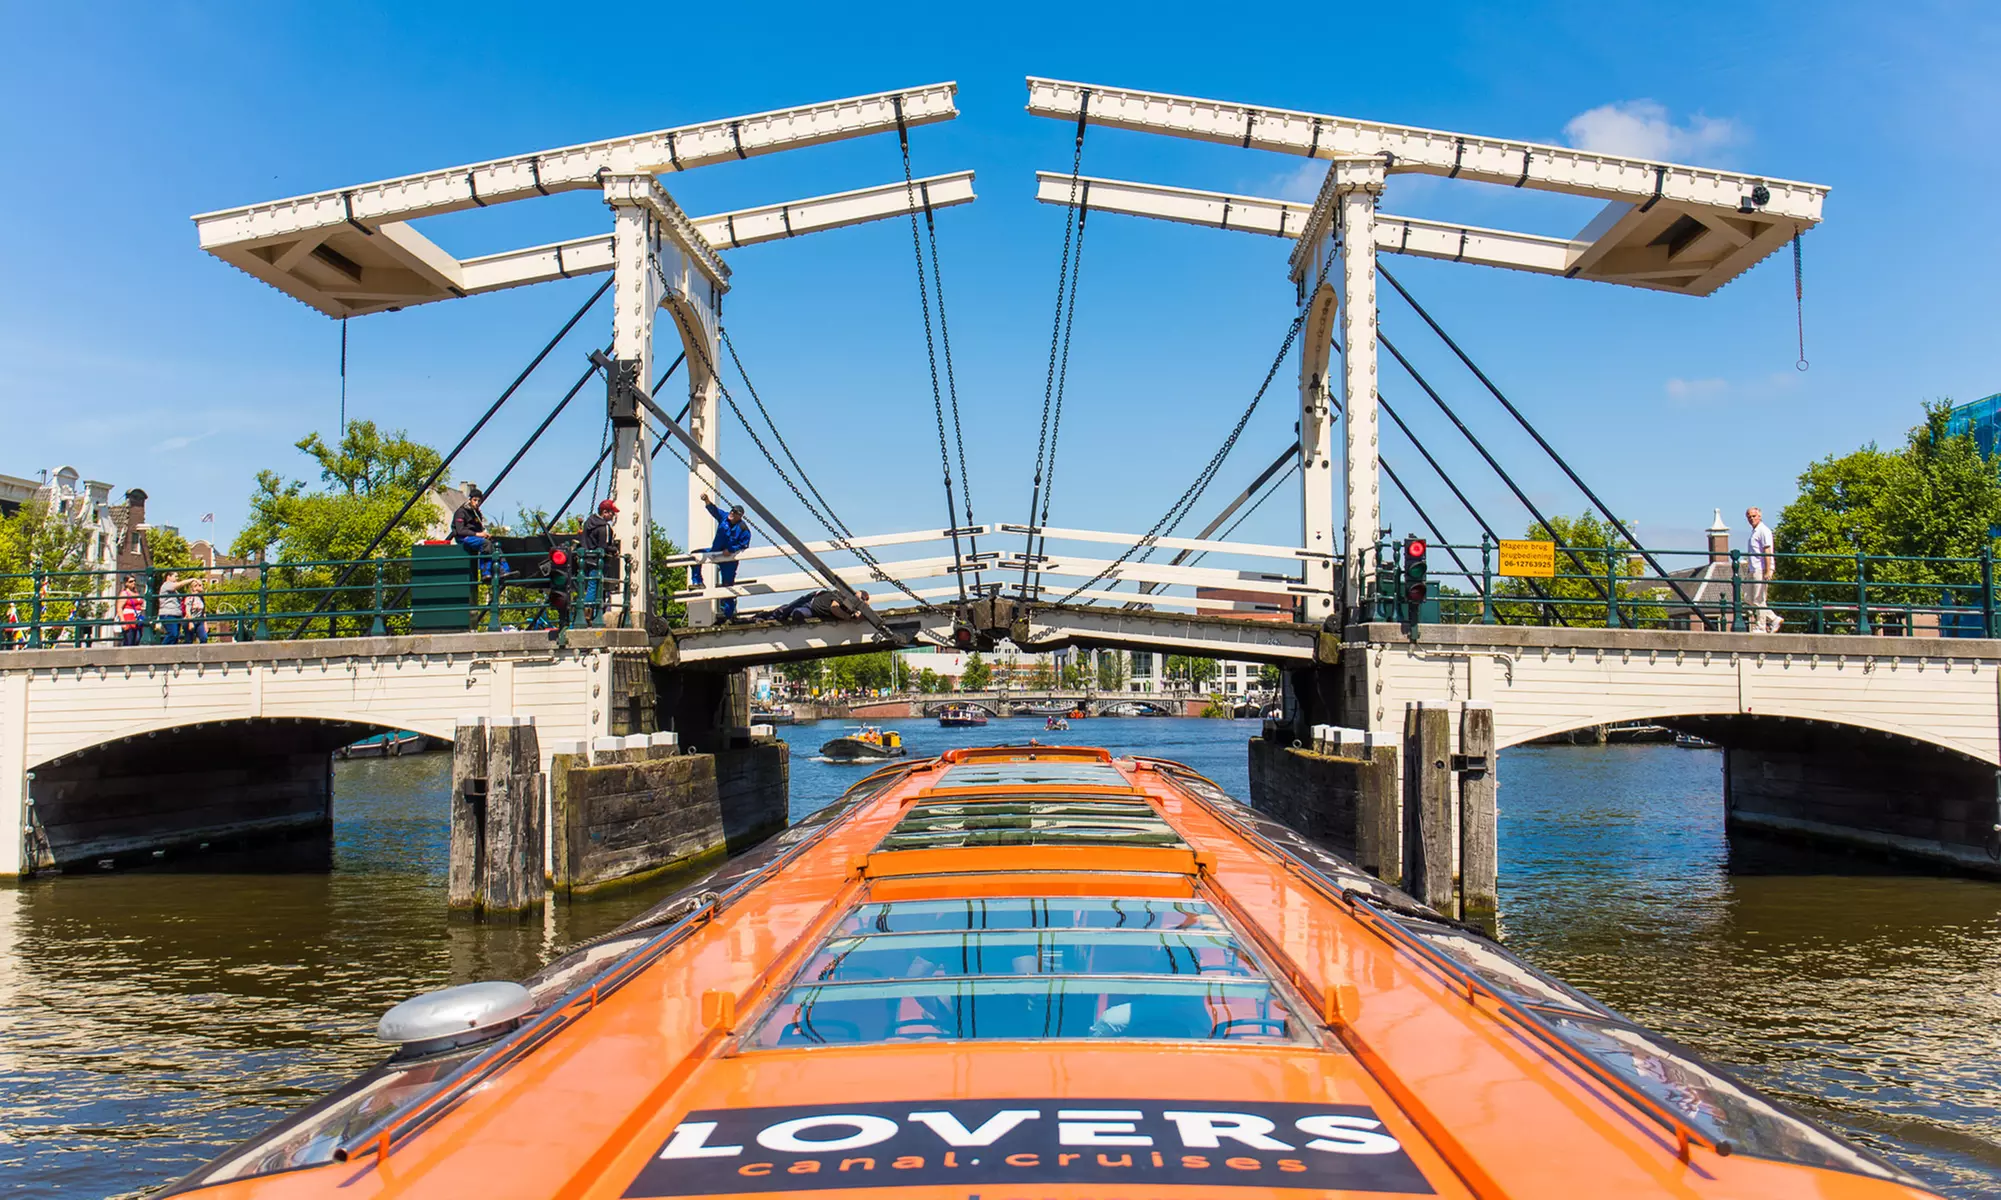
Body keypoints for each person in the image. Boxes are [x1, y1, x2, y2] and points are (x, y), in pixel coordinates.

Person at [693, 493, 752, 620]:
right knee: (695, 555)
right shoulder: (725, 517)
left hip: (728, 559)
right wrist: (706, 500)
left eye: (735, 512)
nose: (732, 513)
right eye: (732, 510)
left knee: (728, 586)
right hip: (716, 552)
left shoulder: (743, 529)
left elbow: (744, 545)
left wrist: (730, 550)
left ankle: (728, 615)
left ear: (739, 516)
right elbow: (714, 510)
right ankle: (697, 581)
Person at [579, 497, 618, 617]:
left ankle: (586, 614)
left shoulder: (588, 523)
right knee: (595, 587)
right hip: (597, 562)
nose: (613, 516)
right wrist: (614, 550)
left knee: (588, 586)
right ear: (605, 512)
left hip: (586, 560)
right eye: (612, 513)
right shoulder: (604, 527)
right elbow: (603, 547)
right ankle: (586, 615)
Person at [1745, 506, 1780, 633]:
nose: (1751, 519)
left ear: (1759, 516)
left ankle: (1761, 626)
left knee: (1759, 599)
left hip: (1760, 568)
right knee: (1748, 598)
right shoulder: (1754, 532)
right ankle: (1774, 618)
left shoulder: (1763, 531)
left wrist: (1768, 570)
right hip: (1753, 569)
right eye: (1749, 516)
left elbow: (1767, 550)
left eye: (1754, 516)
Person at [770, 588, 869, 625]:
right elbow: (834, 607)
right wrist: (847, 617)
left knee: (798, 614)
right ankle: (768, 615)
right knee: (785, 612)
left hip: (815, 612)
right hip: (811, 601)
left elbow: (860, 618)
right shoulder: (843, 595)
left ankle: (789, 612)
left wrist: (860, 615)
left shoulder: (855, 608)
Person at [156, 572, 188, 645]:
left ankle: (170, 653)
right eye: (175, 576)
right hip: (168, 614)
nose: (177, 578)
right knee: (173, 633)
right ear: (168, 577)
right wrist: (192, 580)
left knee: (176, 636)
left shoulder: (174, 590)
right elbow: (179, 584)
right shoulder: (167, 585)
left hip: (176, 614)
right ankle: (161, 650)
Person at [118, 580, 143, 646]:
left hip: (137, 619)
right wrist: (123, 622)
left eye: (134, 581)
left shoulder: (136, 593)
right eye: (131, 581)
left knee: (137, 639)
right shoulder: (124, 593)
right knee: (129, 641)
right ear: (126, 583)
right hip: (129, 619)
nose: (134, 582)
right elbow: (119, 608)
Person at [185, 578, 209, 644]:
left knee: (204, 638)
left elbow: (203, 612)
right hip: (191, 620)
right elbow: (188, 610)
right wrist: (190, 622)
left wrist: (205, 623)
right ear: (192, 588)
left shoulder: (201, 598)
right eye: (195, 586)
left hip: (200, 620)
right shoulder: (190, 597)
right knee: (189, 640)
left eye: (199, 585)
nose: (198, 588)